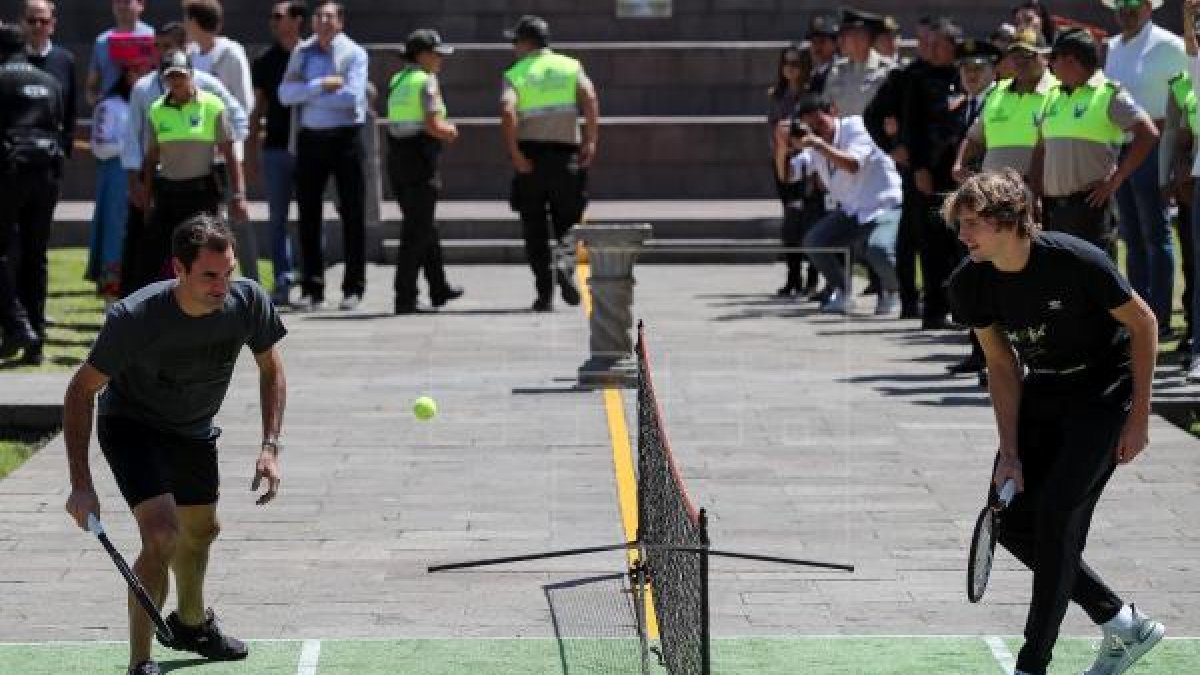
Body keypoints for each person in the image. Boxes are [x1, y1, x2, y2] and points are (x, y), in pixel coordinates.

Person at [944, 169, 1164, 675]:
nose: (963, 235)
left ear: (1009, 221)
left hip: (1103, 393)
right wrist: (1010, 453)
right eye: (960, 224)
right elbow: (1002, 365)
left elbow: (1144, 322)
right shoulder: (970, 282)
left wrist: (1140, 420)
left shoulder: (1077, 260)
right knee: (1011, 523)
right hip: (1043, 390)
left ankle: (1032, 664)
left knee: (1056, 520)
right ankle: (1122, 622)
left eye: (973, 223)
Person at [62, 215, 287, 675]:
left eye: (227, 272)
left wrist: (270, 447)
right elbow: (81, 390)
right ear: (178, 270)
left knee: (202, 531)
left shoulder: (247, 302)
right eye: (209, 275)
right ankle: (140, 661)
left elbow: (272, 369)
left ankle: (190, 625)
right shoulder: (135, 318)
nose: (221, 285)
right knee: (162, 534)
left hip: (193, 427)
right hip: (133, 425)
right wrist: (81, 485)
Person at [121, 23, 248, 296]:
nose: (177, 83)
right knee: (150, 256)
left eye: (181, 76)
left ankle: (218, 302)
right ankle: (143, 311)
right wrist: (146, 191)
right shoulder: (156, 109)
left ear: (191, 75)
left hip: (202, 192)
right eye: (171, 78)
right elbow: (152, 155)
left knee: (209, 253)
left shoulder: (212, 106)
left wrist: (239, 193)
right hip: (168, 190)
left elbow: (229, 151)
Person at [501, 15, 598, 312]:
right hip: (565, 155)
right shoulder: (570, 66)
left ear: (527, 42)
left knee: (534, 228)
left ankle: (544, 295)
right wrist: (590, 140)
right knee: (569, 222)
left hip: (529, 159)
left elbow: (507, 110)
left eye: (515, 42)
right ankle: (565, 262)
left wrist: (516, 154)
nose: (514, 48)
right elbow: (590, 97)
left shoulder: (515, 72)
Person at [278, 0, 370, 312]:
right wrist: (321, 85)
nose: (323, 21)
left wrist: (309, 93)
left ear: (341, 21)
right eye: (319, 16)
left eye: (329, 16)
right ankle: (312, 289)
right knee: (308, 215)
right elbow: (285, 94)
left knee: (352, 213)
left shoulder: (355, 53)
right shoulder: (302, 52)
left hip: (345, 139)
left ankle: (353, 287)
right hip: (310, 141)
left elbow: (351, 98)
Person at [775, 93, 903, 316]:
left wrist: (818, 144)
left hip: (885, 205)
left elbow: (853, 164)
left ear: (834, 111)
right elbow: (788, 174)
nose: (818, 129)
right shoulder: (815, 142)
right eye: (811, 126)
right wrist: (781, 145)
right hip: (853, 211)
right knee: (815, 242)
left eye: (820, 122)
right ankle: (842, 291)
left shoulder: (856, 126)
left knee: (879, 251)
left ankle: (894, 291)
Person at [1032, 28, 1157, 255]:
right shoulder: (1053, 95)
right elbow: (1041, 149)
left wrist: (1116, 179)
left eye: (1054, 58)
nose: (1050, 65)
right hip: (1054, 212)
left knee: (1097, 286)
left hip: (1091, 210)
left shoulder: (1109, 94)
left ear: (1071, 60)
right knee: (1061, 286)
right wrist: (1034, 194)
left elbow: (1148, 133)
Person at [1103, 0, 1187, 333]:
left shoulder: (1170, 45)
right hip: (1120, 147)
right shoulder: (1111, 47)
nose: (1126, 9)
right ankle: (1138, 315)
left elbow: (1187, 95)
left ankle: (1160, 316)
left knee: (1155, 232)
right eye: (1121, 4)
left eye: (1134, 3)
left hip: (1156, 143)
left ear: (1149, 7)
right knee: (1131, 236)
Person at [385, 29, 463, 314]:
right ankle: (404, 297)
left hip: (398, 161)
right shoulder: (426, 81)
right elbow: (432, 123)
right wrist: (450, 131)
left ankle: (439, 288)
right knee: (415, 232)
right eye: (436, 54)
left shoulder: (398, 79)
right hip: (420, 161)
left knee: (424, 226)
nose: (440, 60)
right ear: (422, 55)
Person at [897, 17, 968, 329]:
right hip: (932, 170)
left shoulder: (968, 74)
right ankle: (934, 309)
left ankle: (963, 307)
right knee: (932, 242)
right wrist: (918, 168)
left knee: (962, 241)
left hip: (962, 171)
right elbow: (911, 127)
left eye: (940, 45)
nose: (933, 50)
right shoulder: (919, 78)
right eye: (931, 44)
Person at [184, 0, 259, 284]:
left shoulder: (230, 53)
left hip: (227, 151)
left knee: (238, 217)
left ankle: (253, 283)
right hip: (200, 152)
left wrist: (225, 135)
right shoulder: (190, 55)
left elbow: (243, 102)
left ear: (195, 21)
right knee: (208, 222)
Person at [0, 21, 62, 364]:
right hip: (47, 173)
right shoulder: (49, 81)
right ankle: (36, 341)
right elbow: (61, 127)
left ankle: (17, 324)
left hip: (11, 173)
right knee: (36, 256)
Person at [250, 0, 306, 306]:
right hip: (275, 148)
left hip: (311, 148)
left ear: (297, 20)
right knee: (277, 219)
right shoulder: (265, 60)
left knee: (311, 215)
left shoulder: (312, 54)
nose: (273, 21)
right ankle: (283, 281)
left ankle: (310, 276)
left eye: (278, 16)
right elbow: (258, 109)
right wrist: (250, 151)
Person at [90, 65, 145, 302]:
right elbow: (99, 147)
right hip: (117, 178)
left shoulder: (156, 103)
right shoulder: (109, 106)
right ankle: (112, 302)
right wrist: (134, 148)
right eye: (136, 72)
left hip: (150, 177)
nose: (140, 77)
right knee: (114, 236)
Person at [766, 43, 814, 297]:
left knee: (809, 218)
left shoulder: (810, 95)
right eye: (786, 63)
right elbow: (772, 128)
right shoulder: (776, 95)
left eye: (796, 64)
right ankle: (792, 276)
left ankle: (812, 278)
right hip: (783, 161)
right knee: (790, 221)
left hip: (808, 161)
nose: (790, 69)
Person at [23, 0, 75, 165]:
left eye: (43, 21)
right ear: (22, 23)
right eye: (32, 21)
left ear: (52, 24)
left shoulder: (65, 60)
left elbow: (70, 110)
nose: (37, 26)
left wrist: (65, 147)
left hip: (51, 156)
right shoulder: (10, 60)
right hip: (15, 156)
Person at [824, 8, 895, 118]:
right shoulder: (836, 70)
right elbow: (826, 109)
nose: (839, 41)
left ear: (863, 38)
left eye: (845, 36)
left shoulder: (889, 71)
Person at [87, 0, 152, 106]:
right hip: (111, 109)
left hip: (145, 106)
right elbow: (91, 86)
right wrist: (98, 103)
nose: (121, 6)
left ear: (141, 4)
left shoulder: (153, 39)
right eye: (117, 1)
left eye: (127, 2)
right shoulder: (102, 41)